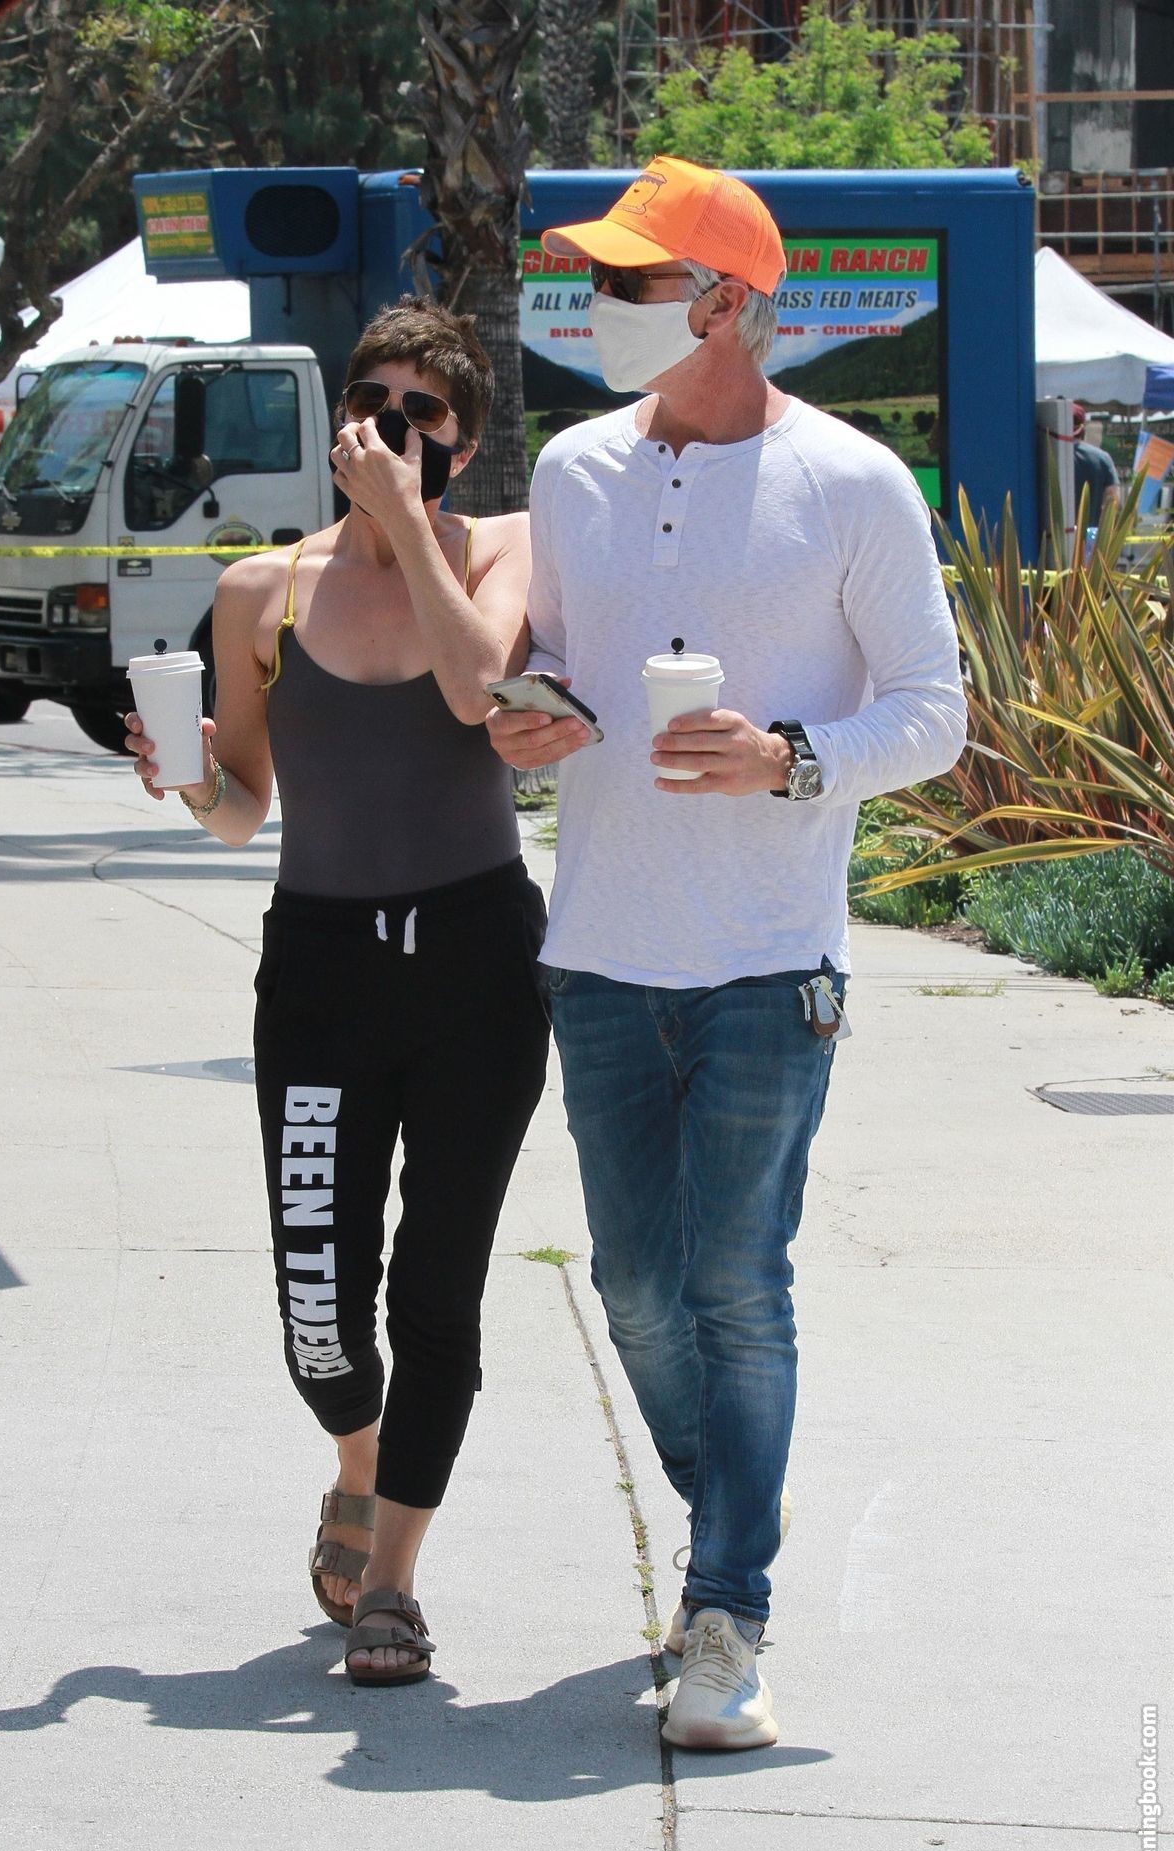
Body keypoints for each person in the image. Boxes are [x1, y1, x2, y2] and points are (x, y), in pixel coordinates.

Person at [487, 156, 967, 1750]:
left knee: (735, 1287)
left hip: (771, 962)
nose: (593, 307)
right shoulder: (572, 470)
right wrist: (526, 717)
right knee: (635, 1290)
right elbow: (553, 660)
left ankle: (727, 1616)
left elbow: (936, 716)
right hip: (601, 952)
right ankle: (732, 1514)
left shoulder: (852, 483)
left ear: (724, 303)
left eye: (625, 282)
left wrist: (791, 759)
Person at [126, 297, 549, 1687]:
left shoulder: (503, 551)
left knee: (436, 1289)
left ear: (463, 444)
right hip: (321, 967)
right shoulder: (264, 591)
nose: (389, 428)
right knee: (319, 1308)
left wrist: (406, 525)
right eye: (371, 403)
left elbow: (480, 694)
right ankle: (356, 1461)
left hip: (476, 963)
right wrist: (188, 778)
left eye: (423, 413)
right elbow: (244, 808)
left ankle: (393, 1582)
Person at [1072, 403, 1121, 523]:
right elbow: (1113, 499)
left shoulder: (1046, 455)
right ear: (1083, 428)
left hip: (1051, 532)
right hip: (1092, 532)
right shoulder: (1102, 458)